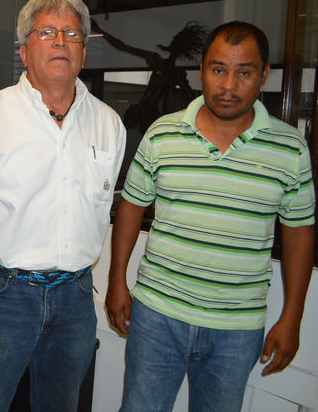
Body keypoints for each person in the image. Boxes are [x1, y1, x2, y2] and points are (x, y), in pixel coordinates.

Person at [107, 21, 315, 412]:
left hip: (236, 328)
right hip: (157, 314)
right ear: (202, 69)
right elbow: (132, 205)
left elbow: (299, 233)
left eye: (244, 72)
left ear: (264, 74)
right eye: (218, 70)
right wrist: (117, 279)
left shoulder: (290, 148)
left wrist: (292, 317)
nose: (229, 85)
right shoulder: (162, 133)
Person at [0, 0, 126, 412]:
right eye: (47, 32)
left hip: (75, 298)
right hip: (1, 296)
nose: (60, 43)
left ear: (83, 53)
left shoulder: (108, 123)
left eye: (72, 35)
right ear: (24, 50)